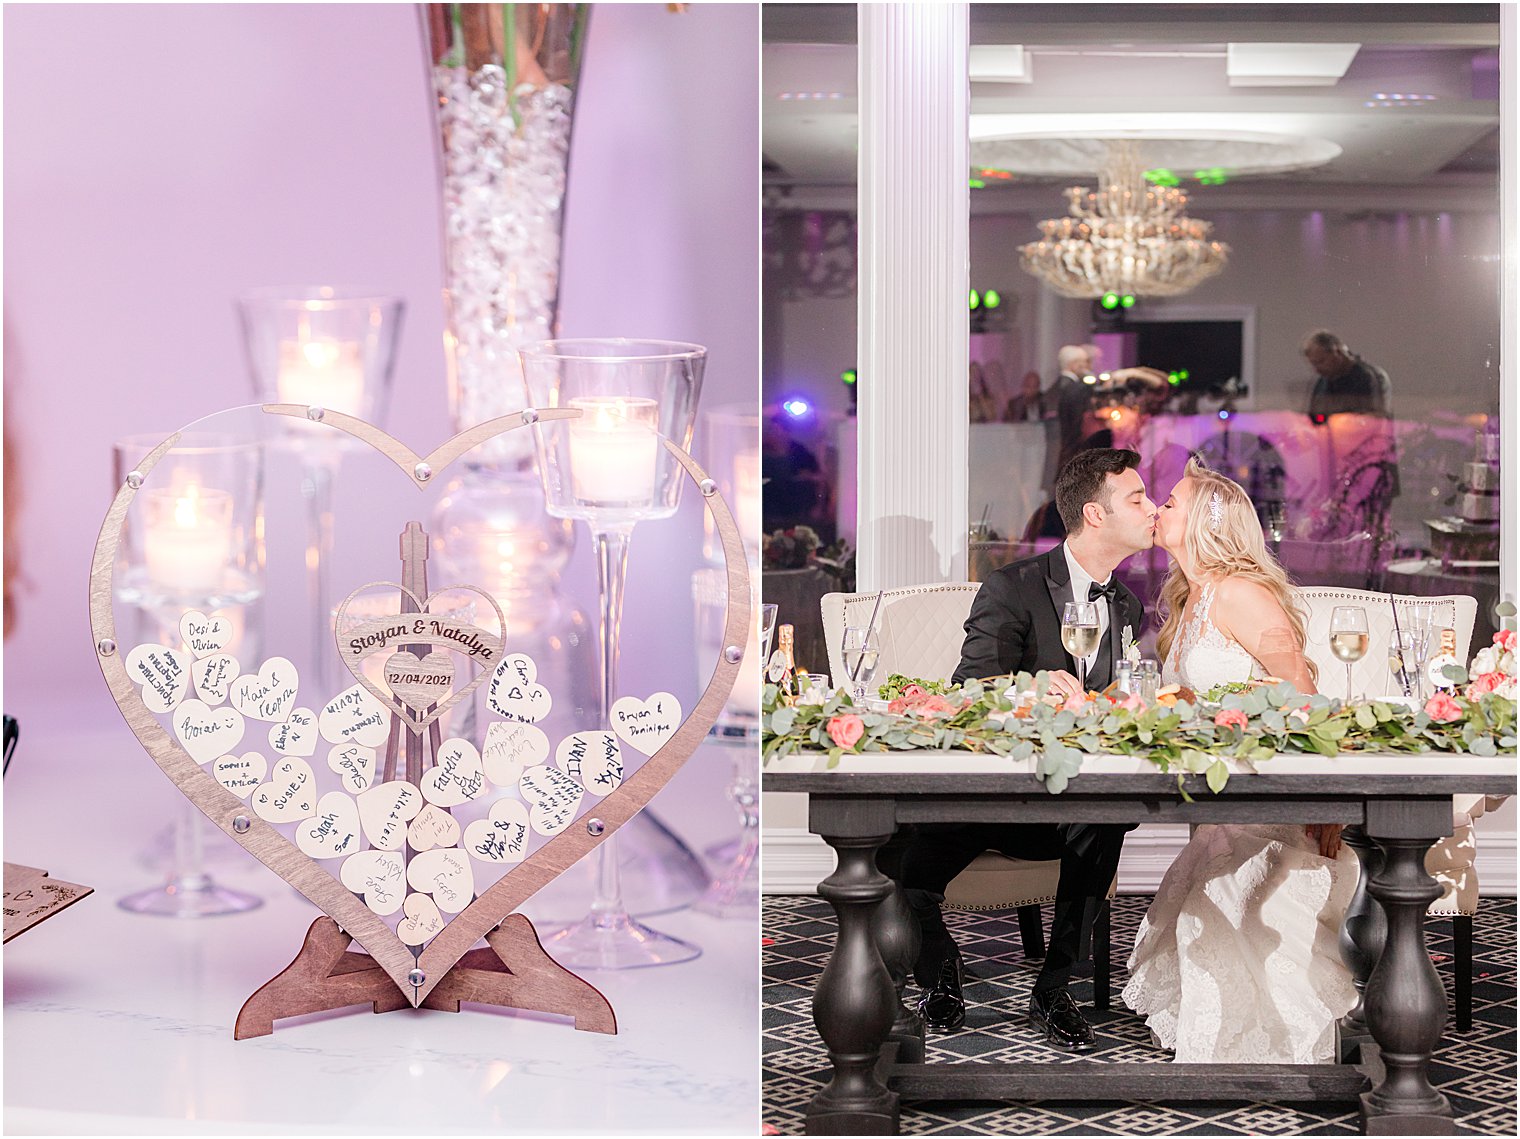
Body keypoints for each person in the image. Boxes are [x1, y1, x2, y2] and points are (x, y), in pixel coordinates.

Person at [899, 448, 1157, 1049]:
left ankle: (1054, 987)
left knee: (1109, 818)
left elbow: (1111, 700)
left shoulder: (1127, 606)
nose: (1150, 510)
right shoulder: (1012, 588)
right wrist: (1031, 686)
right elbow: (968, 690)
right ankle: (941, 970)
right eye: (1137, 499)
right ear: (1095, 514)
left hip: (1071, 798)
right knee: (898, 869)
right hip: (994, 796)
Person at [1123, 455, 1357, 1063]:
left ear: (1203, 520)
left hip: (1265, 800)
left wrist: (1320, 806)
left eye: (1169, 502)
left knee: (1222, 885)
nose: (1158, 508)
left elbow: (1304, 695)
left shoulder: (1241, 593)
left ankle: (1273, 1049)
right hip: (1218, 798)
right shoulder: (1189, 599)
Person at [1303, 329, 1392, 421]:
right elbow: (1316, 418)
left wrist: (1341, 422)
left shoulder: (1370, 377)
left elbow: (1375, 417)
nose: (1317, 369)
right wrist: (1323, 420)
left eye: (1321, 361)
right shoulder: (1322, 383)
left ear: (1337, 352)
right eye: (1314, 364)